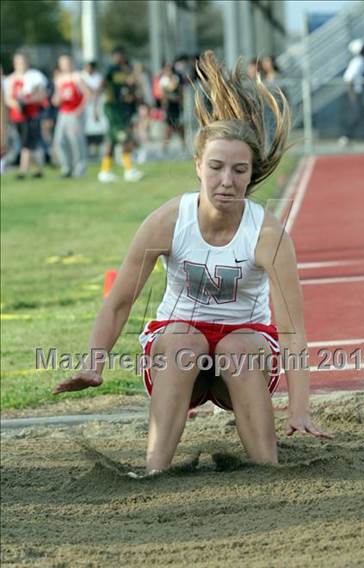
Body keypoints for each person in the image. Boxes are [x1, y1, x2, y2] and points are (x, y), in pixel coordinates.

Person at [53, 51, 331, 475]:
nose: (226, 180)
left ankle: (267, 469)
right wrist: (95, 362)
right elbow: (119, 302)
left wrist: (299, 409)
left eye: (239, 170)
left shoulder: (268, 233)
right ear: (198, 166)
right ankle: (154, 469)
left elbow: (292, 329)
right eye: (216, 167)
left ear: (251, 174)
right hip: (179, 342)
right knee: (186, 343)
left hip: (246, 342)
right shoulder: (168, 220)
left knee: (236, 349)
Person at [97, 46, 143, 183]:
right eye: (116, 55)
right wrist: (97, 103)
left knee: (112, 139)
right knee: (125, 137)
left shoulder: (128, 69)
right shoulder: (111, 70)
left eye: (120, 55)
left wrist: (132, 93)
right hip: (113, 109)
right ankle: (129, 170)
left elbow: (133, 87)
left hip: (124, 109)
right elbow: (102, 85)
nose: (119, 58)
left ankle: (105, 171)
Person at [4, 52, 47, 179]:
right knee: (26, 142)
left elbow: (42, 94)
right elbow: (8, 98)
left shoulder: (34, 76)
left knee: (26, 142)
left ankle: (22, 170)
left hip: (31, 114)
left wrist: (27, 101)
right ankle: (37, 168)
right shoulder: (10, 79)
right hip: (17, 115)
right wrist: (16, 104)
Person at [52, 54, 88, 178]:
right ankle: (66, 167)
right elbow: (55, 100)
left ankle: (79, 169)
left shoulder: (77, 77)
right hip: (64, 113)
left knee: (76, 141)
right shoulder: (59, 79)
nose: (65, 65)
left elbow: (87, 94)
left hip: (75, 113)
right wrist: (59, 98)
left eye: (66, 62)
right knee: (60, 140)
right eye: (62, 63)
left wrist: (80, 109)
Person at [340, 39, 364, 144]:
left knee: (360, 115)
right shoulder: (357, 62)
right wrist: (352, 94)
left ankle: (350, 137)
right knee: (358, 114)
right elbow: (348, 78)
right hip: (355, 93)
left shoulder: (361, 61)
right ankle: (347, 136)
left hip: (358, 92)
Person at [159, 62, 186, 154]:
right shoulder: (164, 80)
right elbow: (163, 96)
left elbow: (180, 93)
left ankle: (183, 146)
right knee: (168, 128)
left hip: (177, 107)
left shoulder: (176, 79)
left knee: (179, 127)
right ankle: (164, 148)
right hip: (169, 107)